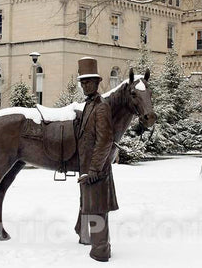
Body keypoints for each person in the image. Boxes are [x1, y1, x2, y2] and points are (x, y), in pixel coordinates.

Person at [74, 57, 118, 262]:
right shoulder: (88, 106)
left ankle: (100, 251)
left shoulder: (101, 107)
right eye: (82, 82)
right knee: (92, 208)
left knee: (98, 210)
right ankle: (98, 247)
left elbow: (105, 141)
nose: (85, 86)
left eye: (88, 82)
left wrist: (93, 170)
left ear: (97, 82)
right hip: (88, 169)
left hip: (96, 171)